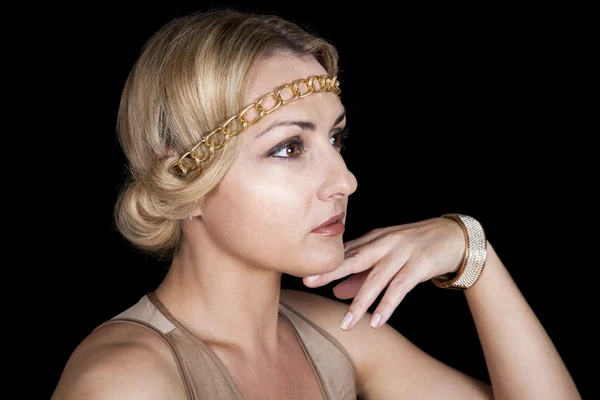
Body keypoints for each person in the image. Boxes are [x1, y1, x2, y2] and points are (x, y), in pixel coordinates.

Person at [51, 7, 581, 400]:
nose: (345, 181)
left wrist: (471, 249)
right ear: (182, 178)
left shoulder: (333, 334)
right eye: (288, 147)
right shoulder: (126, 382)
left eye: (336, 138)